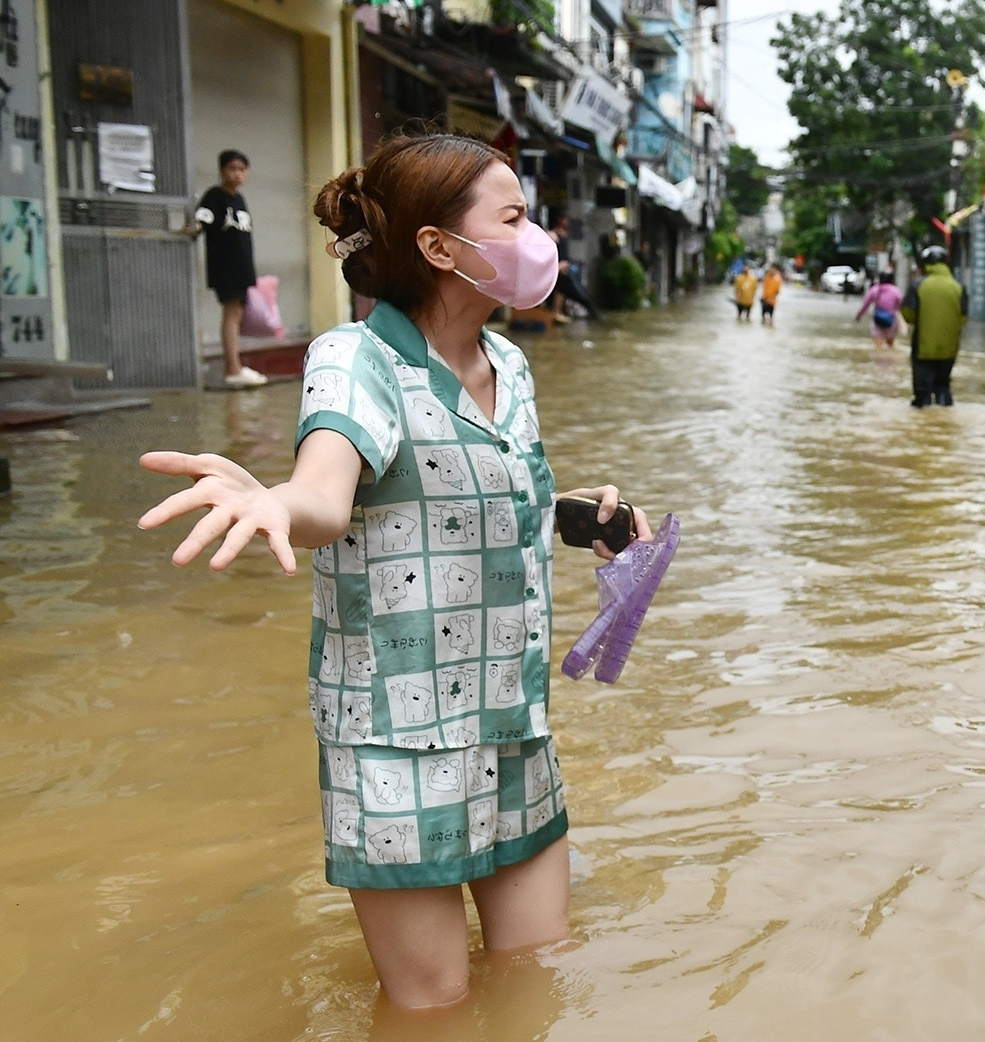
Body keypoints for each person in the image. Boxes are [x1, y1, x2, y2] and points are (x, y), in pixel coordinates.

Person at [137, 133, 654, 1011]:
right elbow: (326, 496)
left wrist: (582, 519)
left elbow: (483, 492)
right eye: (515, 217)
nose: (539, 239)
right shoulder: (354, 360)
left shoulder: (512, 365)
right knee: (433, 1012)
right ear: (439, 247)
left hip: (513, 723)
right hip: (398, 743)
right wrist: (273, 502)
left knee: (536, 981)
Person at [182, 149, 267, 387]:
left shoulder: (239, 199)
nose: (238, 174)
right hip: (225, 268)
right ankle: (232, 368)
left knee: (237, 314)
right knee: (231, 314)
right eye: (232, 168)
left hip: (241, 268)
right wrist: (194, 227)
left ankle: (235, 366)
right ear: (222, 171)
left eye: (242, 169)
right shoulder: (214, 196)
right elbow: (203, 219)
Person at [901, 245, 967, 406]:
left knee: (922, 393)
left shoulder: (918, 285)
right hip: (949, 349)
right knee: (943, 386)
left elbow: (908, 314)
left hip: (923, 348)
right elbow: (963, 318)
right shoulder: (958, 287)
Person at [547, 212, 602, 322]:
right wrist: (556, 266)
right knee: (578, 293)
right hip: (557, 269)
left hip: (565, 269)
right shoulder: (552, 235)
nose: (568, 222)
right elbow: (546, 255)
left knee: (562, 292)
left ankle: (557, 313)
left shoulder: (565, 234)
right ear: (560, 219)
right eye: (566, 219)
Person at [853, 271, 903, 349]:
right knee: (891, 344)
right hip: (891, 320)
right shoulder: (896, 291)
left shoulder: (875, 289)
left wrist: (858, 316)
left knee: (878, 346)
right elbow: (900, 306)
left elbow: (865, 305)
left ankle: (878, 360)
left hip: (878, 320)